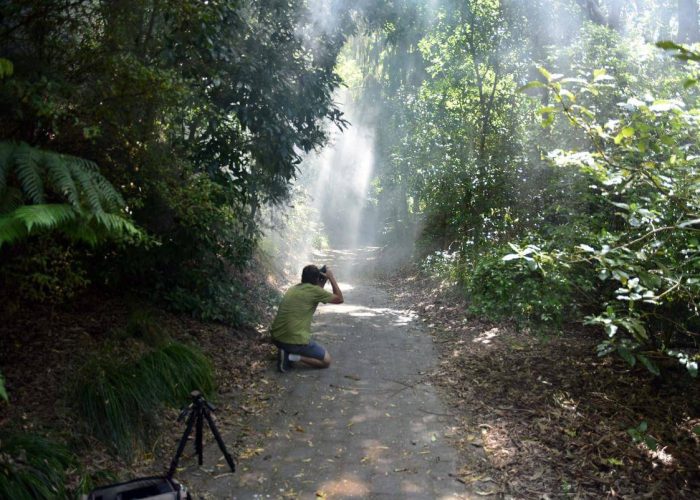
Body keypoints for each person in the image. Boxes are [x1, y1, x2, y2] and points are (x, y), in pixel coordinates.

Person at [270, 264, 344, 372]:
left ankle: (285, 350)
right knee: (326, 361)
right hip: (294, 340)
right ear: (316, 279)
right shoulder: (315, 292)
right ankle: (290, 356)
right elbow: (340, 299)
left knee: (289, 342)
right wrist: (331, 277)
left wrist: (322, 281)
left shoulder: (293, 288)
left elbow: (316, 293)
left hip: (277, 338)